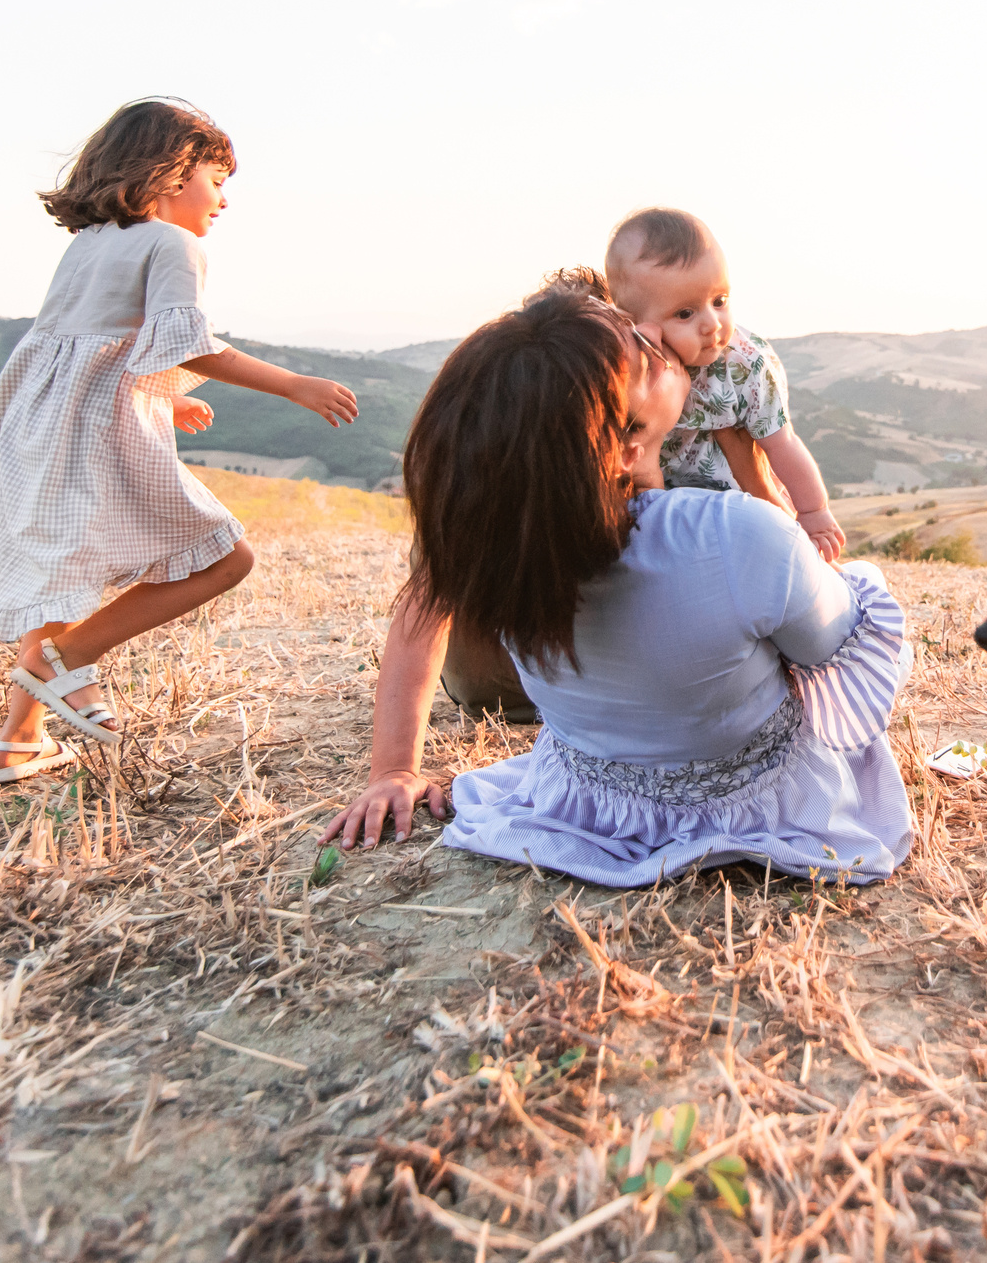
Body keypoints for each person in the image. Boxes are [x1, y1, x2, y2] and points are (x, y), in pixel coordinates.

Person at [321, 271, 914, 888]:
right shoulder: (738, 535)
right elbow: (840, 646)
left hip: (588, 800)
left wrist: (393, 768)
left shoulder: (507, 542)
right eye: (650, 355)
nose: (662, 339)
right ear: (626, 442)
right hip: (759, 800)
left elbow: (422, 612)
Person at [0, 98, 359, 784]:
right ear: (170, 174)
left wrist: (162, 399)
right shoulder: (174, 244)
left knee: (56, 578)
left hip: (30, 422)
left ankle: (16, 741)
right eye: (217, 179)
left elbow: (89, 352)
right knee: (226, 558)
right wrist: (295, 383)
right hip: (81, 434)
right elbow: (189, 344)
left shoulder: (86, 245)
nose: (223, 201)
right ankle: (67, 659)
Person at [603, 208, 846, 561]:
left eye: (719, 301)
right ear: (634, 323)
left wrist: (814, 512)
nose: (712, 324)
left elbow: (782, 444)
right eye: (685, 313)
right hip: (661, 516)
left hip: (739, 507)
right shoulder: (630, 374)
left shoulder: (745, 364)